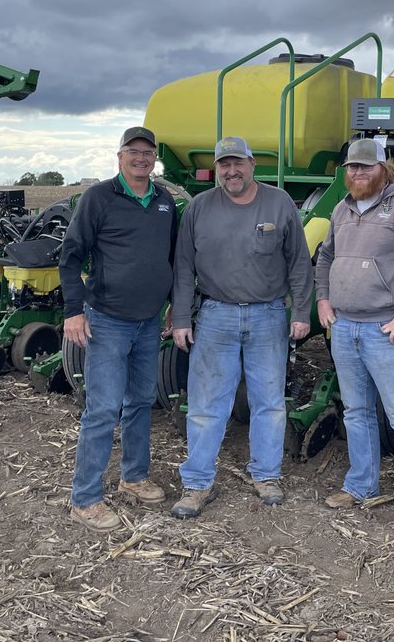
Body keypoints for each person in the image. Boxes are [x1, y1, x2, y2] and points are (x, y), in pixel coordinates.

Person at [168, 135, 313, 518]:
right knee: (206, 405)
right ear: (217, 169)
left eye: (238, 163)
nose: (231, 171)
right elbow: (183, 268)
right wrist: (181, 317)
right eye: (223, 165)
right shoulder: (199, 208)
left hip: (268, 315)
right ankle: (197, 483)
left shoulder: (279, 202)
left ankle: (266, 475)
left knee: (269, 401)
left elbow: (299, 263)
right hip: (216, 315)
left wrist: (301, 311)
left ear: (252, 164)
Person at [314, 138, 394, 531]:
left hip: (384, 330)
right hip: (345, 327)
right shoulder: (342, 208)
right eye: (352, 167)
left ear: (384, 170)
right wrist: (323, 299)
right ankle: (361, 486)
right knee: (356, 412)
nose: (357, 173)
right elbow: (325, 256)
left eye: (366, 167)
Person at [60, 127, 177, 533]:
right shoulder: (99, 198)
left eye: (148, 153)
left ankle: (134, 475)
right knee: (104, 408)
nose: (141, 158)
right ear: (120, 156)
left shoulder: (164, 201)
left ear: (154, 157)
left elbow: (172, 258)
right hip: (108, 319)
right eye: (133, 152)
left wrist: (173, 306)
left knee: (141, 401)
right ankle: (85, 498)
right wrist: (73, 310)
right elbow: (71, 255)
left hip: (148, 321)